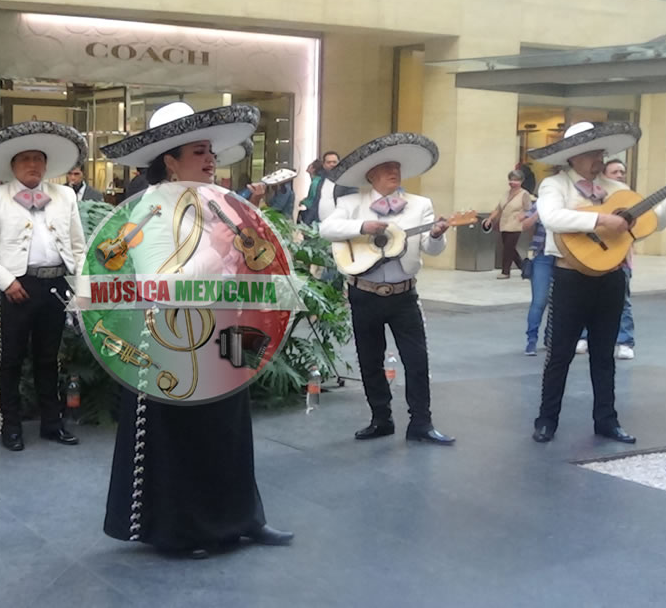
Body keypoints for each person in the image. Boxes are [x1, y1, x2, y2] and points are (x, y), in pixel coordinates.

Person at [99, 103, 293, 559]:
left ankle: (242, 519)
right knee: (182, 434)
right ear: (170, 160)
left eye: (211, 151)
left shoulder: (218, 203)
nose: (210, 160)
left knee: (228, 427)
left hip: (222, 326)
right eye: (198, 151)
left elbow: (235, 266)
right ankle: (185, 529)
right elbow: (160, 283)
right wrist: (219, 250)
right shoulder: (148, 210)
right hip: (170, 336)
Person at [529, 122, 666, 444]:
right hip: (570, 276)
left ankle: (606, 420)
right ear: (575, 157)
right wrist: (602, 219)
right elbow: (552, 217)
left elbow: (652, 222)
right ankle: (546, 419)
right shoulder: (555, 185)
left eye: (601, 152)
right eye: (594, 153)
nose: (600, 158)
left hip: (611, 277)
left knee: (604, 353)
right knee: (560, 353)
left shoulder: (615, 189)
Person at [320, 133, 456, 445]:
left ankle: (421, 423)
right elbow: (326, 228)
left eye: (397, 167)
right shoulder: (351, 203)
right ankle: (381, 419)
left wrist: (436, 235)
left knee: (417, 360)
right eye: (386, 168)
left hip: (403, 294)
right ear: (370, 175)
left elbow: (432, 250)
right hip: (363, 292)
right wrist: (362, 227)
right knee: (370, 360)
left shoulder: (420, 205)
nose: (394, 171)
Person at [0, 121, 88, 451]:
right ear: (13, 165)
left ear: (46, 165)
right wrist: (6, 281)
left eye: (38, 159)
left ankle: (52, 424)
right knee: (11, 360)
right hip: (18, 287)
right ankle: (11, 427)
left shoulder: (65, 196)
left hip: (57, 284)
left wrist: (80, 287)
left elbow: (78, 246)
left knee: (49, 359)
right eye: (25, 159)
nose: (32, 165)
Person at [575, 158, 635, 358]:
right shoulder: (592, 197)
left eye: (622, 172)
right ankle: (583, 337)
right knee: (585, 300)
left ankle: (625, 341)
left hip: (620, 260)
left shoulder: (626, 197)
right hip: (592, 255)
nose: (620, 175)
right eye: (615, 172)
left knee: (623, 303)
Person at [483, 170, 533, 279]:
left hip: (515, 225)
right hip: (504, 224)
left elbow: (529, 209)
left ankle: (505, 272)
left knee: (508, 248)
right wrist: (490, 219)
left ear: (521, 181)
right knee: (509, 247)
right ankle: (524, 267)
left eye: (516, 180)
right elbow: (499, 208)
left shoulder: (524, 194)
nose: (512, 182)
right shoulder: (506, 193)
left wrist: (523, 216)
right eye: (511, 180)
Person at [521, 204, 552, 356]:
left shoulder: (571, 200)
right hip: (542, 255)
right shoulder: (541, 203)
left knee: (560, 302)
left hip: (567, 257)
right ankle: (531, 340)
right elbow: (524, 225)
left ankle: (550, 337)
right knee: (539, 301)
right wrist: (537, 215)